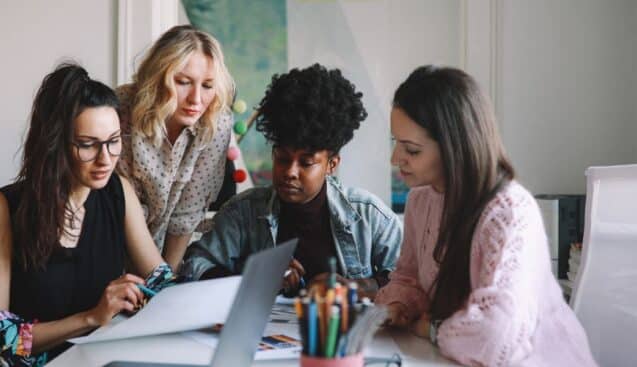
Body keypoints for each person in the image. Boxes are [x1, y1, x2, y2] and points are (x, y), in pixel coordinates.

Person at [0, 63, 178, 365]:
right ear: (55, 144)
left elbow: (160, 279)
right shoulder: (3, 207)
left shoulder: (118, 192)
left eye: (113, 141)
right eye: (87, 145)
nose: (105, 159)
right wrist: (91, 318)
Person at [375, 65, 597, 366]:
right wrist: (398, 304)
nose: (395, 159)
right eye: (395, 143)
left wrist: (431, 328)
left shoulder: (509, 212)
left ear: (454, 147)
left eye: (411, 150)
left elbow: (496, 336)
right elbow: (408, 278)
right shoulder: (420, 200)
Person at [182, 64, 403, 298]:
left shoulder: (369, 215)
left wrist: (356, 288)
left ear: (332, 164)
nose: (290, 172)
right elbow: (194, 266)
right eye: (282, 158)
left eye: (306, 163)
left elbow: (410, 279)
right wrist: (256, 277)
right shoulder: (242, 213)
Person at [116, 25, 235, 271]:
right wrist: (156, 280)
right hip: (109, 248)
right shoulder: (120, 110)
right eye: (183, 82)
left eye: (208, 85)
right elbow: (123, 207)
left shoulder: (216, 121)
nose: (196, 99)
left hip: (159, 258)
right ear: (158, 78)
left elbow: (186, 215)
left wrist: (166, 283)